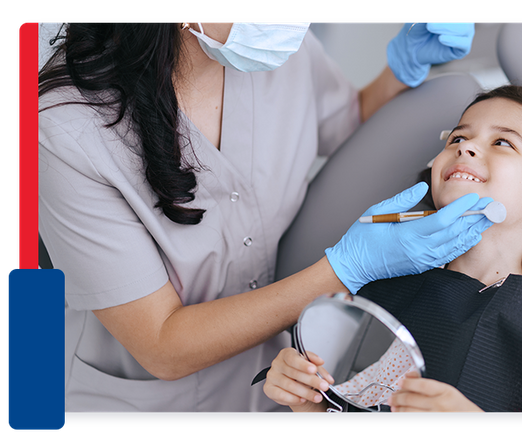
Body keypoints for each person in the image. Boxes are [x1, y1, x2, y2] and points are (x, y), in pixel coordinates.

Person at [38, 20, 483, 412]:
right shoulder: (64, 126)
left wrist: (400, 71)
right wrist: (346, 269)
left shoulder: (272, 46)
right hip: (146, 404)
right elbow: (162, 346)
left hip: (279, 385)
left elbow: (342, 121)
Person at [262, 85, 522, 413]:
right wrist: (304, 399)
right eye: (457, 138)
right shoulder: (385, 293)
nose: (465, 146)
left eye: (503, 143)